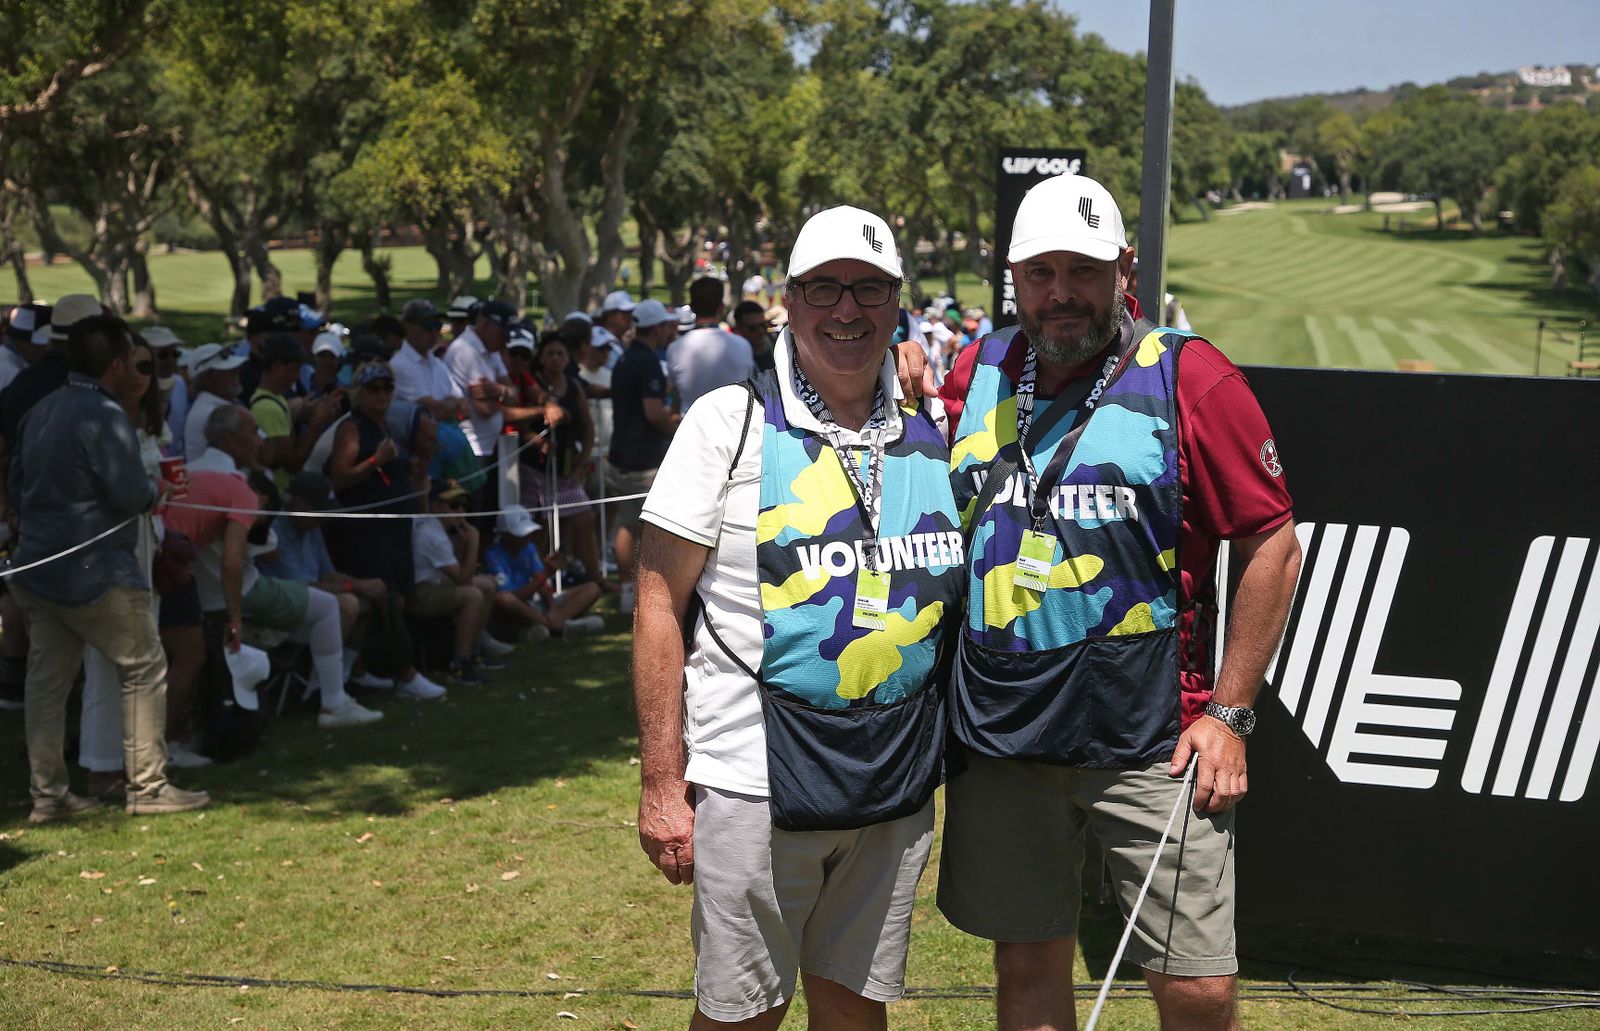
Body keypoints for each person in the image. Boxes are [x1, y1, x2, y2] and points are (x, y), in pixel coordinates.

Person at [929, 174, 1301, 1031]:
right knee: (1025, 963)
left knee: (1196, 985)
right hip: (1003, 736)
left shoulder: (1187, 374)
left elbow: (1272, 543)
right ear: (1012, 274)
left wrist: (1232, 714)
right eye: (1041, 271)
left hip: (1152, 739)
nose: (1062, 293)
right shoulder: (974, 371)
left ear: (1124, 269)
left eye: (1084, 270)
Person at [632, 205, 964, 1028]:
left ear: (897, 304)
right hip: (753, 782)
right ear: (790, 298)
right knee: (743, 1016)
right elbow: (656, 601)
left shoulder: (926, 433)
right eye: (825, 288)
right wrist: (661, 784)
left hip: (892, 782)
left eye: (869, 290)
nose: (846, 310)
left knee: (856, 1012)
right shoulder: (726, 421)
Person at [9, 313, 210, 820]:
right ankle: (147, 786)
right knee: (144, 666)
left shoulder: (43, 408)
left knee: (47, 685)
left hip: (38, 566)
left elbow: (15, 482)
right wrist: (154, 491)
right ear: (118, 363)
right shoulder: (104, 414)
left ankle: (48, 796)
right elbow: (129, 492)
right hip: (95, 571)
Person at [174, 404, 386, 728]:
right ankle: (332, 702)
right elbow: (250, 553)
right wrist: (233, 617)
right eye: (252, 434)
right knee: (329, 607)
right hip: (237, 590)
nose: (260, 441)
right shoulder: (238, 485)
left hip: (191, 592)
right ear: (232, 441)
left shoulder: (184, 476)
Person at [326, 363, 449, 701]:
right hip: (367, 533)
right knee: (384, 597)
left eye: (386, 388)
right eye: (373, 389)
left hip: (393, 530)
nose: (381, 395)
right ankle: (406, 674)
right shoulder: (351, 428)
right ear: (359, 392)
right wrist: (375, 461)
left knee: (397, 597)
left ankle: (362, 670)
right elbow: (338, 478)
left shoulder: (385, 427)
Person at [255, 470, 396, 692]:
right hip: (283, 607)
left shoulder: (310, 527)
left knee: (366, 600)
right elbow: (301, 586)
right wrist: (355, 585)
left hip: (308, 600)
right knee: (347, 604)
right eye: (320, 512)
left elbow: (327, 573)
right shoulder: (276, 530)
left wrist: (365, 584)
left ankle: (347, 674)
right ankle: (321, 688)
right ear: (299, 504)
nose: (324, 519)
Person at [607, 299, 679, 614]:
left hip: (620, 454)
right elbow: (653, 413)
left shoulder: (625, 358)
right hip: (643, 459)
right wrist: (677, 428)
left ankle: (627, 591)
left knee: (625, 524)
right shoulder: (647, 361)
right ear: (658, 328)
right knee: (655, 528)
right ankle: (653, 592)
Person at [520, 332, 605, 588]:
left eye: (560, 353)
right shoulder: (532, 385)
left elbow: (588, 427)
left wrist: (582, 462)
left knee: (584, 518)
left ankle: (596, 577)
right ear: (541, 358)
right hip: (536, 470)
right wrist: (539, 440)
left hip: (567, 469)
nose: (555, 359)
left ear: (567, 358)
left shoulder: (574, 386)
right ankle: (536, 583)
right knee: (541, 527)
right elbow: (520, 427)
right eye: (550, 354)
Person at [410, 478, 511, 683]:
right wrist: (473, 541)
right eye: (454, 505)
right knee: (472, 595)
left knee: (488, 584)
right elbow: (463, 579)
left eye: (464, 505)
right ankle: (460, 664)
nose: (461, 511)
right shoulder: (433, 535)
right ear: (436, 506)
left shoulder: (435, 525)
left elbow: (456, 569)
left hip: (433, 582)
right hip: (418, 591)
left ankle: (473, 651)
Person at [484, 504, 602, 638]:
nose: (526, 537)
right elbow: (514, 598)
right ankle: (559, 627)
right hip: (516, 610)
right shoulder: (493, 556)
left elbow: (542, 585)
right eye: (520, 534)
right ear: (505, 536)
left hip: (535, 605)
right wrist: (545, 574)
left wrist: (553, 610)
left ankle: (550, 625)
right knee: (504, 599)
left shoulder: (529, 548)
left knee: (592, 588)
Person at [252, 333, 338, 489]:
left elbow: (290, 447)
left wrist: (307, 415)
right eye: (294, 369)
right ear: (277, 367)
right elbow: (292, 465)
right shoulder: (269, 409)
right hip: (276, 493)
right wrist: (316, 424)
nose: (297, 375)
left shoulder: (278, 400)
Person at [665, 277, 757, 413]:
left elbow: (675, 394)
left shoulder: (675, 348)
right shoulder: (743, 346)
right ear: (721, 307)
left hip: (691, 427)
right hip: (735, 427)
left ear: (691, 308)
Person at [392, 299, 466, 424]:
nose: (434, 331)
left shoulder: (438, 364)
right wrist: (450, 404)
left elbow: (464, 406)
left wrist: (447, 406)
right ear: (407, 326)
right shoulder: (400, 365)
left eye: (438, 325)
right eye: (427, 324)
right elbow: (436, 412)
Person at [182, 342, 248, 460]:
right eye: (228, 369)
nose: (236, 371)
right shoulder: (211, 412)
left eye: (235, 368)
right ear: (207, 378)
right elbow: (263, 453)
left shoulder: (219, 405)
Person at [729, 300, 775, 372]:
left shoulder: (774, 345)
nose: (761, 331)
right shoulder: (732, 358)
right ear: (738, 329)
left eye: (763, 325)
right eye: (753, 328)